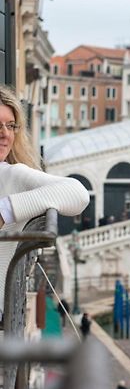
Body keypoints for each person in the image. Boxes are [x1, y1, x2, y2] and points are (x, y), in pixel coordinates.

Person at [0, 87, 89, 315]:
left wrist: (6, 210)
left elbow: (78, 194)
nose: (5, 134)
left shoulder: (12, 174)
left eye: (11, 126)